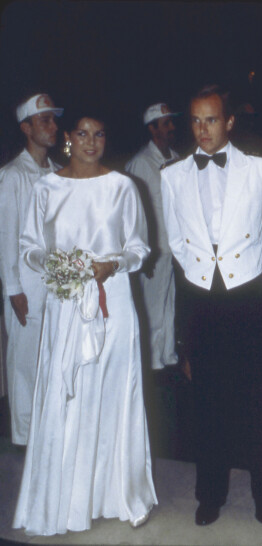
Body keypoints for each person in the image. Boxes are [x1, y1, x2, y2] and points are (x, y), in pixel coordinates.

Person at [13, 108, 156, 535]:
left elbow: (140, 247)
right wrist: (60, 264)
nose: (92, 141)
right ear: (68, 139)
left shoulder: (122, 187)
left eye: (100, 133)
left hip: (112, 302)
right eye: (82, 133)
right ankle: (64, 497)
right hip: (65, 302)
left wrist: (111, 265)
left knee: (114, 390)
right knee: (68, 392)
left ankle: (117, 492)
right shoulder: (46, 188)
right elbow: (29, 246)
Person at [161, 85, 262, 527]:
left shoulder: (260, 170)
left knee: (256, 399)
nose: (202, 129)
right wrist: (201, 275)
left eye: (211, 120)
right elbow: (176, 241)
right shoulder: (172, 175)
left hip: (249, 296)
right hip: (202, 297)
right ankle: (210, 493)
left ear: (229, 122)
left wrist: (259, 282)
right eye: (196, 120)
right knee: (207, 402)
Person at [0, 92, 62, 447]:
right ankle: (23, 440)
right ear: (27, 128)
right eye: (45, 121)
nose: (54, 127)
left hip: (55, 287)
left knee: (50, 359)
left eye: (54, 120)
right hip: (26, 287)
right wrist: (12, 289)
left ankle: (46, 433)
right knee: (24, 365)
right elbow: (6, 236)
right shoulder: (12, 177)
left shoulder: (56, 174)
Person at [124, 102, 180, 370]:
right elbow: (134, 212)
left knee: (169, 304)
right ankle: (150, 360)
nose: (171, 127)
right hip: (154, 248)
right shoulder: (140, 163)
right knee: (152, 305)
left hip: (177, 247)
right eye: (165, 123)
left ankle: (167, 354)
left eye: (171, 122)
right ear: (152, 128)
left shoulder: (178, 158)